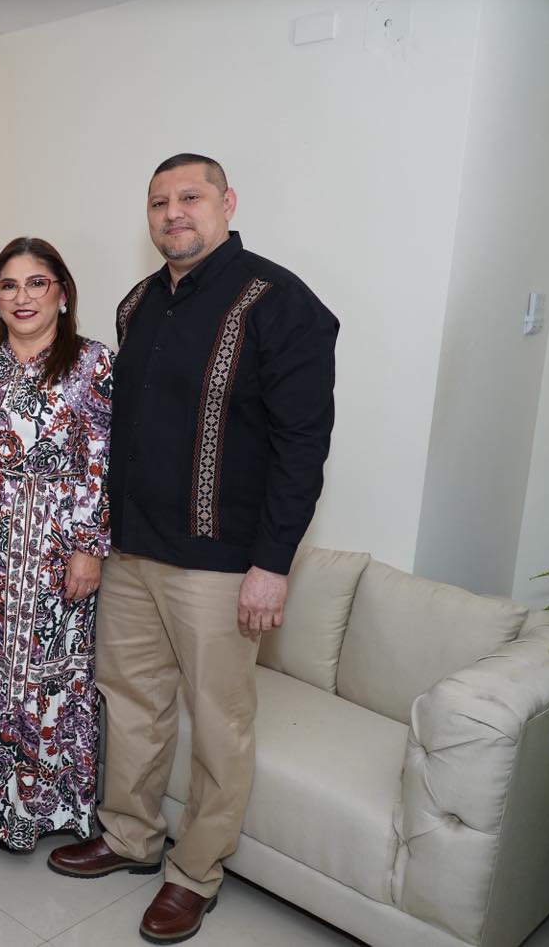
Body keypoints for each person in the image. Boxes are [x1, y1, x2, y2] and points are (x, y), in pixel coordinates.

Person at [46, 154, 338, 944]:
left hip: (221, 564)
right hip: (133, 550)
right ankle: (130, 835)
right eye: (158, 202)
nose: (173, 212)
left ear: (226, 202)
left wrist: (272, 562)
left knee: (218, 722)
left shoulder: (279, 302)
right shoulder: (138, 302)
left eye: (190, 196)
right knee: (131, 702)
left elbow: (303, 445)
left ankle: (196, 872)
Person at [0, 237, 114, 852]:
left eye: (37, 282)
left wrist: (89, 546)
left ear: (62, 293)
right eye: (9, 285)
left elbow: (102, 462)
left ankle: (34, 809)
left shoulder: (92, 362)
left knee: (46, 677)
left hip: (56, 545)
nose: (23, 296)